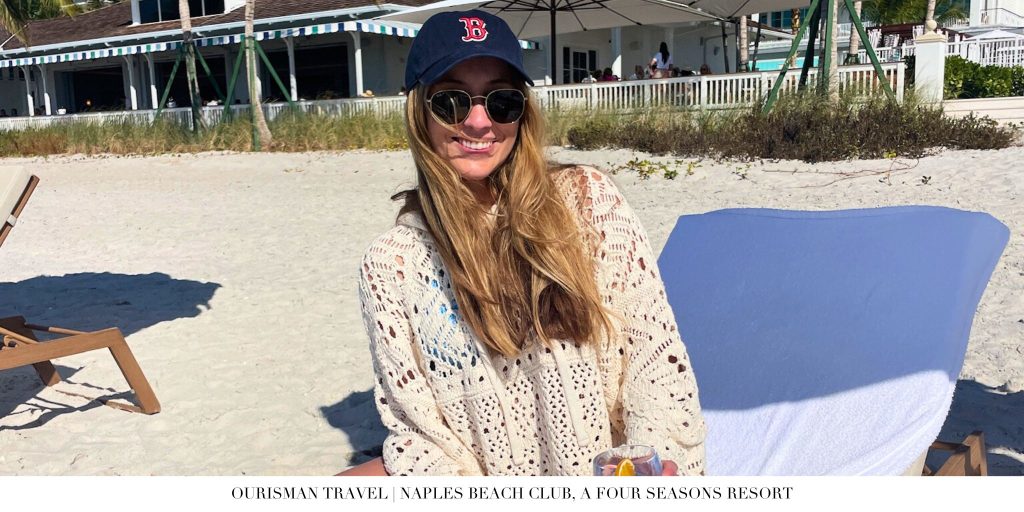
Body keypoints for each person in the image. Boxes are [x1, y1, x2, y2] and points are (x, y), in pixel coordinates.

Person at [342, 9, 706, 477]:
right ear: (419, 113)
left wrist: (649, 465)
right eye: (451, 101)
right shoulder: (393, 266)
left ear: (522, 112)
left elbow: (654, 366)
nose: (479, 123)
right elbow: (422, 438)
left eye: (502, 101)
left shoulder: (589, 202)